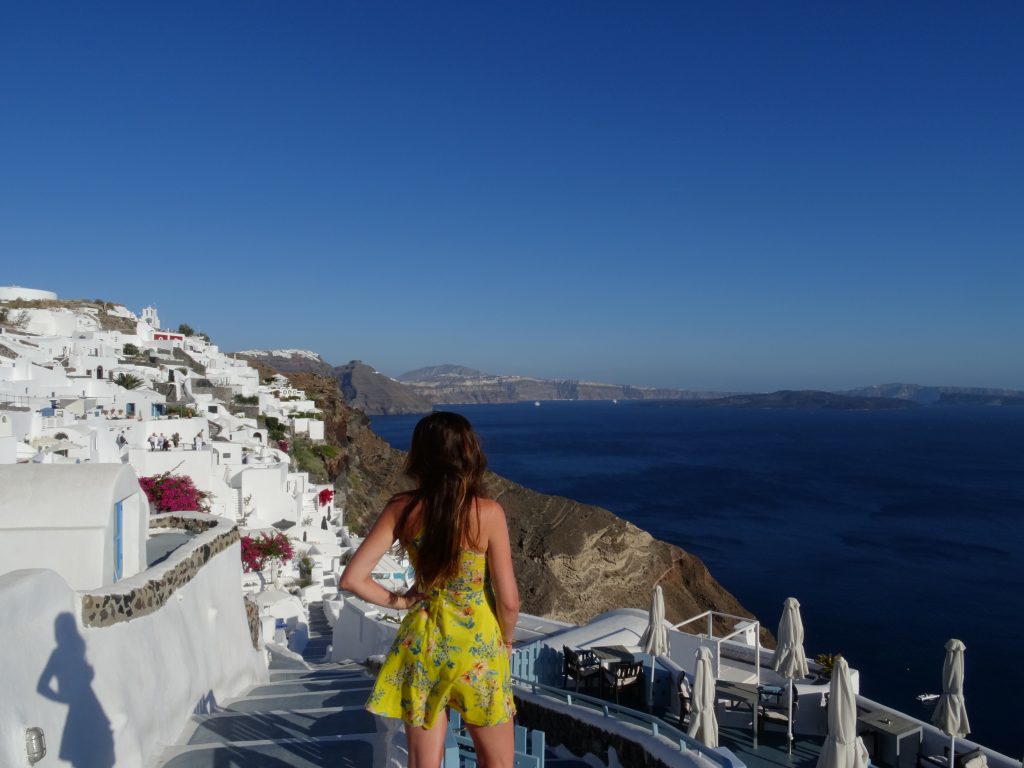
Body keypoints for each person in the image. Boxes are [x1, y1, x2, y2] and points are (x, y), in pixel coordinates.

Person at [340, 412, 519, 768]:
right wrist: (507, 640)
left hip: (423, 643)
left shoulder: (401, 508)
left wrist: (402, 601)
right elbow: (510, 601)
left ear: (420, 454)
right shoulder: (489, 513)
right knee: (496, 762)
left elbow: (353, 579)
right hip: (478, 648)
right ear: (470, 453)